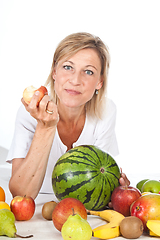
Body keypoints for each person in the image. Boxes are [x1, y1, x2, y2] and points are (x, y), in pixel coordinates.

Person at [7, 32, 130, 200]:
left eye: (88, 71)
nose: (75, 80)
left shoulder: (106, 112)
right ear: (54, 72)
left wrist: (116, 191)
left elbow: (99, 189)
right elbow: (21, 195)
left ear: (99, 82)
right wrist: (46, 127)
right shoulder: (30, 112)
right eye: (67, 67)